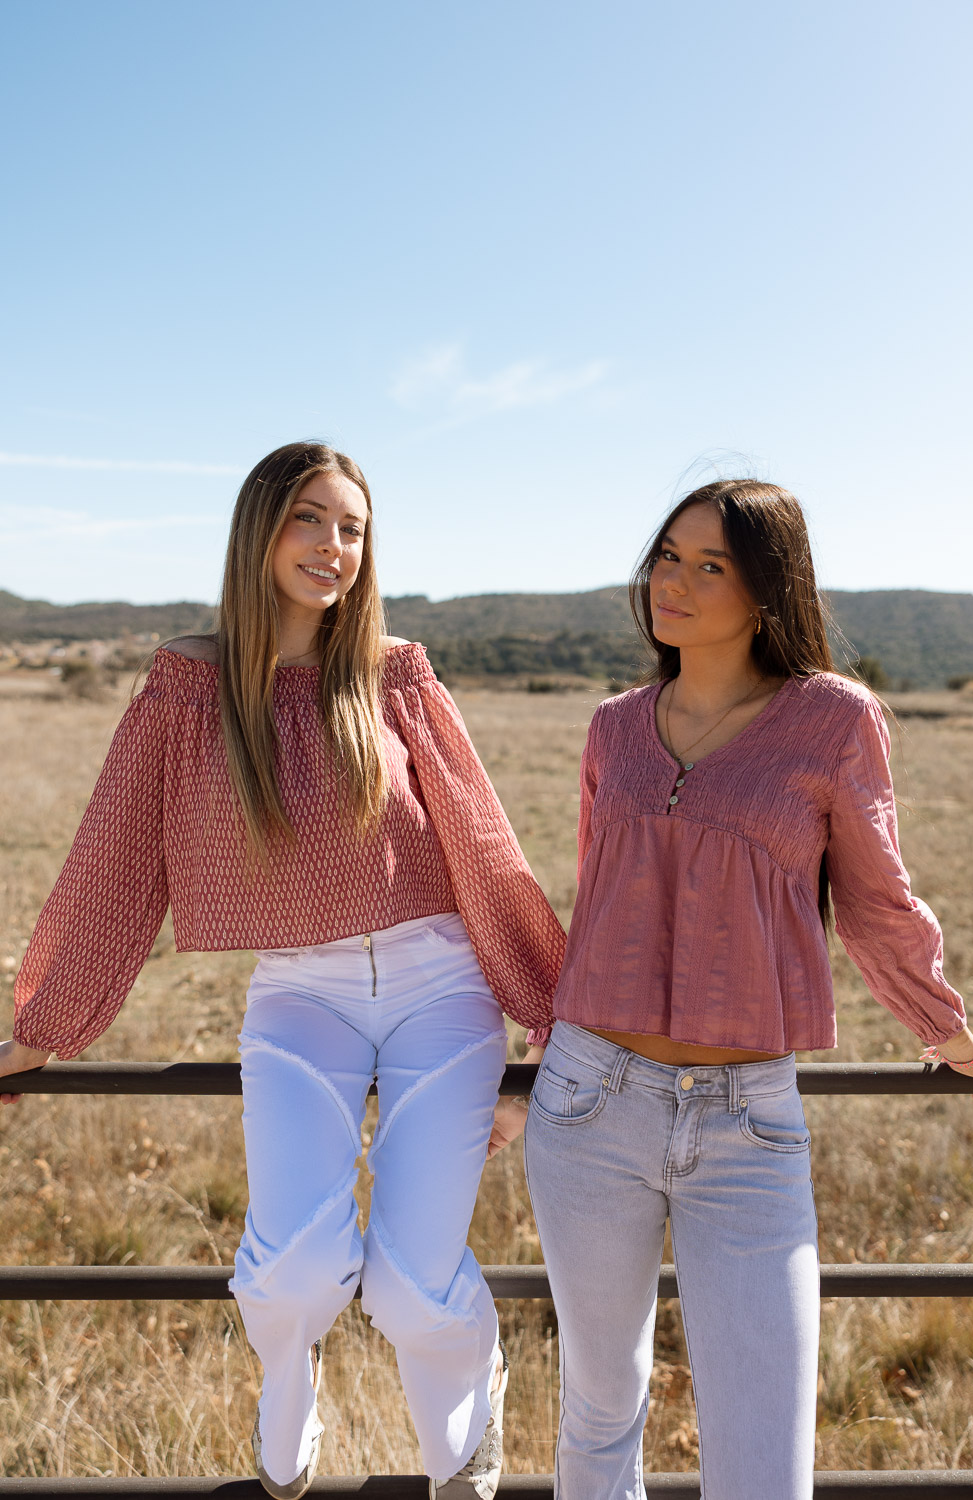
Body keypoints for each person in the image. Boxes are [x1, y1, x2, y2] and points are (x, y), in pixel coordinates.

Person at [0, 441, 564, 1500]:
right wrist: (46, 1028)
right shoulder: (187, 683)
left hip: (442, 989)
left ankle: (466, 1420)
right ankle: (286, 1359)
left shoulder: (395, 672)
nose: (334, 547)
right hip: (301, 993)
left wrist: (547, 1012)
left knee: (406, 1286)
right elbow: (118, 858)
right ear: (260, 528)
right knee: (296, 1266)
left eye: (352, 528)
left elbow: (484, 846)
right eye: (311, 519)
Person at [522, 479, 973, 1500]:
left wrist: (951, 1037)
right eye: (666, 556)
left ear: (767, 590)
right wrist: (537, 1048)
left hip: (748, 1126)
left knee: (763, 1462)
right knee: (599, 1418)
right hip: (587, 1098)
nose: (675, 582)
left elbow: (877, 901)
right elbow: (595, 900)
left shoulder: (831, 720)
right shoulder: (613, 727)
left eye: (711, 566)